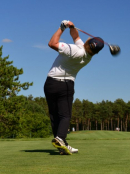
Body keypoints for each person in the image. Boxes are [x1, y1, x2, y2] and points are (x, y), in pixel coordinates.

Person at [44, 20, 104, 155]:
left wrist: (61, 27)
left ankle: (60, 140)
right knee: (64, 115)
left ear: (88, 42)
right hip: (65, 85)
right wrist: (72, 27)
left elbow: (52, 43)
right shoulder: (87, 55)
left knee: (57, 116)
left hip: (51, 84)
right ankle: (61, 142)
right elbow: (76, 37)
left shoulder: (76, 50)